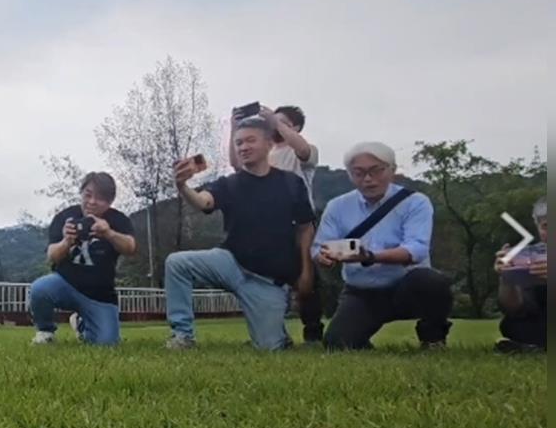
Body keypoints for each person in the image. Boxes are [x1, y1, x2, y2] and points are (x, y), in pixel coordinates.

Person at [167, 116, 315, 350]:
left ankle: (277, 334)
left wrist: (306, 271)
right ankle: (183, 336)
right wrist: (182, 186)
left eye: (250, 141)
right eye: (238, 143)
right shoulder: (229, 184)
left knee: (270, 347)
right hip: (230, 263)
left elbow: (306, 228)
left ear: (268, 144)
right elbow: (204, 202)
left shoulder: (291, 183)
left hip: (267, 280)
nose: (244, 147)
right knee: (177, 263)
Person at [313, 142, 452, 350]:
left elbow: (416, 250)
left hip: (407, 286)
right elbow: (319, 246)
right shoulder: (337, 206)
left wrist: (370, 257)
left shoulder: (415, 202)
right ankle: (360, 340)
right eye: (358, 172)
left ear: (392, 170)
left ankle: (433, 338)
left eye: (376, 170)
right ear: (349, 174)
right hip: (362, 291)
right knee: (337, 344)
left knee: (433, 282)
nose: (368, 179)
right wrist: (322, 257)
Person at [229, 104, 324, 341]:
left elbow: (303, 150)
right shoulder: (265, 154)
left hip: (300, 224)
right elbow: (237, 166)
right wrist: (234, 129)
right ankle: (272, 330)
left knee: (307, 280)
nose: (273, 125)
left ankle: (313, 332)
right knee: (269, 279)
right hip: (268, 226)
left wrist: (274, 121)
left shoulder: (301, 151)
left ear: (296, 127)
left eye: (282, 122)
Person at [30, 172, 137, 346]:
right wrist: (66, 242)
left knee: (107, 344)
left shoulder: (118, 219)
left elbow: (130, 247)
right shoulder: (66, 216)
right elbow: (52, 256)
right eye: (88, 195)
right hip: (65, 283)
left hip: (100, 295)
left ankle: (81, 324)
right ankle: (45, 331)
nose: (92, 202)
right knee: (39, 288)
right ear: (81, 193)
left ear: (110, 202)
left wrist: (109, 233)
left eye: (100, 198)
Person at [494, 198, 546, 353]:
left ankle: (534, 346)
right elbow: (513, 308)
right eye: (546, 226)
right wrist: (507, 277)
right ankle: (534, 346)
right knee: (513, 323)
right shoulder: (529, 256)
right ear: (537, 227)